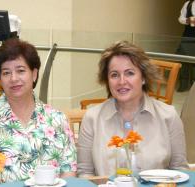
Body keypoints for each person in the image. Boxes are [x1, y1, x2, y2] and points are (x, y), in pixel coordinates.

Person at [0, 38, 77, 186]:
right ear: (0, 80)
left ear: (34, 74)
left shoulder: (57, 118)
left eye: (20, 71)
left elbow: (69, 170)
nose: (14, 78)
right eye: (6, 73)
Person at [77, 41, 189, 177]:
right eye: (114, 75)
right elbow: (85, 173)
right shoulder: (92, 118)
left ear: (143, 78)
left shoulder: (168, 115)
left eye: (129, 73)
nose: (122, 81)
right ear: (107, 81)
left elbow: (180, 171)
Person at [177, 0, 195, 91]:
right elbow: (180, 18)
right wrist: (187, 20)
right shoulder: (188, 4)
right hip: (188, 35)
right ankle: (184, 85)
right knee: (184, 59)